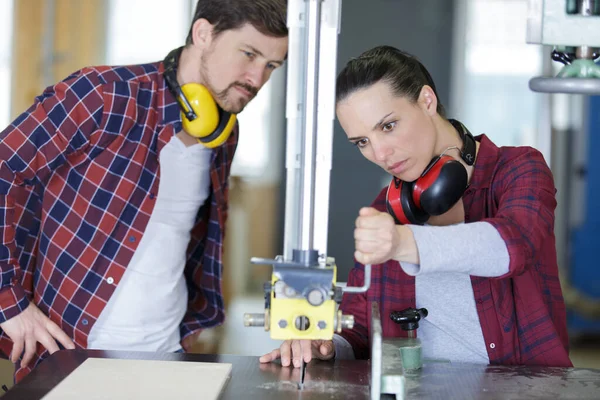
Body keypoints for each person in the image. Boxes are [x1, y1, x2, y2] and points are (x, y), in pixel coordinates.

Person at [0, 0, 288, 382]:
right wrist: (9, 301)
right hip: (70, 354)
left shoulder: (225, 132)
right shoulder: (103, 95)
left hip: (166, 356)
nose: (256, 78)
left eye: (271, 65)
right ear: (203, 34)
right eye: (248, 54)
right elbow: (5, 170)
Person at [260, 45, 573, 369]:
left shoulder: (519, 168)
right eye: (362, 142)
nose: (380, 153)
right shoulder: (385, 210)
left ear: (427, 100)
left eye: (388, 126)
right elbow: (359, 328)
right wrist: (325, 344)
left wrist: (402, 242)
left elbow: (514, 244)